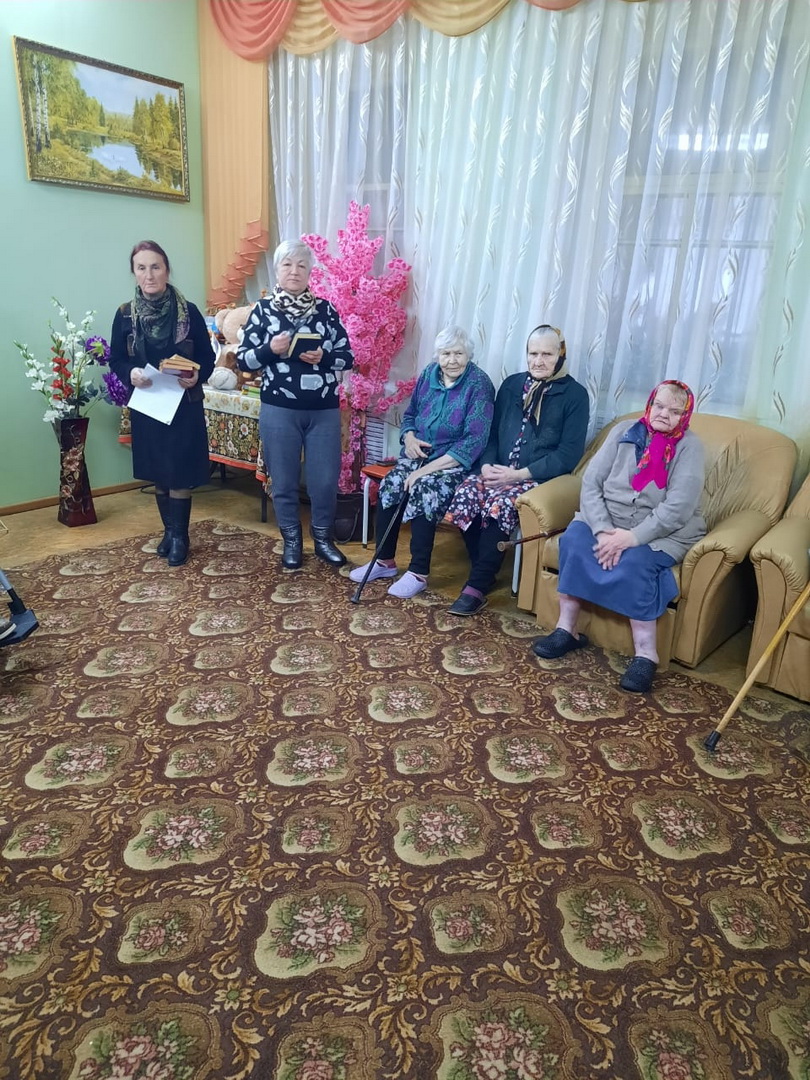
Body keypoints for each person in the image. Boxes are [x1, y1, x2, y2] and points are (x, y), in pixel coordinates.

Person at [531, 380, 706, 693]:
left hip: (661, 530)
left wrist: (631, 538)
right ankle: (566, 630)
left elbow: (679, 508)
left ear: (685, 416)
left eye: (675, 411)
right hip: (607, 520)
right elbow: (591, 483)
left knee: (637, 562)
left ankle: (646, 655)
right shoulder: (623, 431)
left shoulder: (690, 447)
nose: (664, 414)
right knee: (574, 541)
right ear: (650, 404)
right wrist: (602, 531)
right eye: (659, 406)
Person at [444, 325, 589, 615]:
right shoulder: (512, 385)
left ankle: (476, 587)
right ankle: (484, 568)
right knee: (466, 492)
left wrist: (518, 475)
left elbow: (568, 455)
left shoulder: (575, 395)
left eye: (547, 354)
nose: (539, 361)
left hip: (537, 478)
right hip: (499, 470)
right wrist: (487, 465)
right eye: (533, 353)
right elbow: (492, 434)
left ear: (560, 355)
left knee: (500, 503)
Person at [349, 326, 495, 598]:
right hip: (419, 455)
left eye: (459, 353)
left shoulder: (479, 384)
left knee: (424, 489)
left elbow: (474, 441)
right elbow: (411, 415)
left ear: (469, 355)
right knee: (392, 483)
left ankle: (418, 572)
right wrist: (409, 438)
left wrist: (423, 471)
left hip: (454, 464)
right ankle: (384, 560)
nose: (452, 360)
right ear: (438, 355)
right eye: (446, 354)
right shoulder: (429, 374)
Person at [237, 240, 353, 569]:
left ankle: (323, 539)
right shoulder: (263, 311)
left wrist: (324, 357)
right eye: (287, 264)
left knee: (325, 481)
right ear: (277, 270)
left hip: (323, 409)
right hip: (279, 409)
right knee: (284, 481)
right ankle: (291, 541)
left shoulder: (326, 310)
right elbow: (243, 360)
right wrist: (270, 350)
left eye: (302, 265)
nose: (294, 271)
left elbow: (347, 357)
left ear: (310, 272)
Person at [109, 241, 215, 567]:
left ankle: (181, 537)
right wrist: (131, 373)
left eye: (155, 267)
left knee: (179, 470)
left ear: (167, 270)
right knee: (158, 471)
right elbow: (116, 359)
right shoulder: (124, 315)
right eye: (141, 268)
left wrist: (197, 376)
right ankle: (169, 531)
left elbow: (207, 358)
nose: (149, 274)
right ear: (134, 272)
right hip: (149, 404)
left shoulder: (189, 312)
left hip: (183, 405)